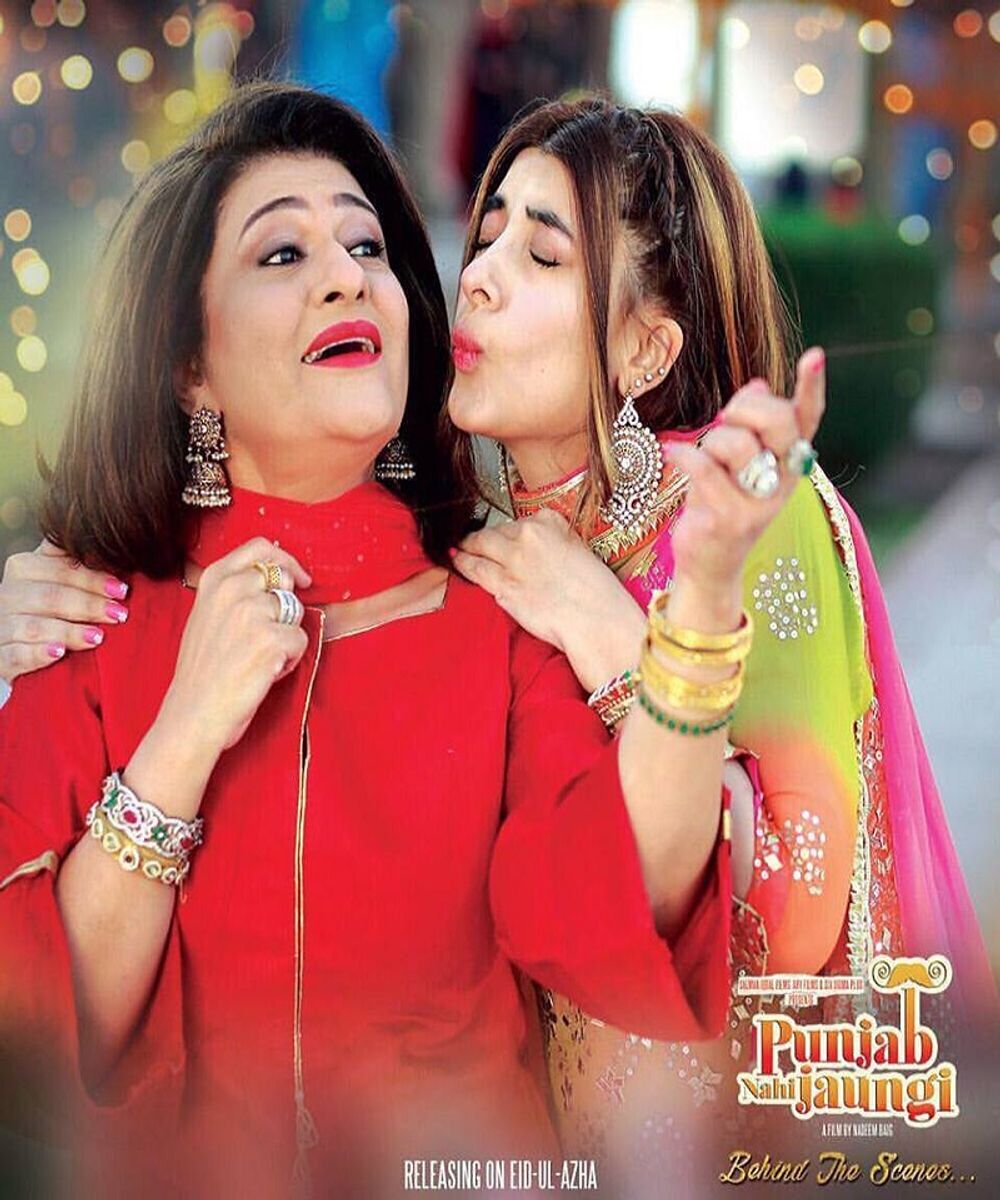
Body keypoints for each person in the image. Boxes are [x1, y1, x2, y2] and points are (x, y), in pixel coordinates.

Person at [0, 83, 821, 1199]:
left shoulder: (496, 618)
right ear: (189, 363)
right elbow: (45, 1039)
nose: (347, 275)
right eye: (281, 254)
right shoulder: (83, 622)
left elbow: (635, 903)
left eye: (367, 246)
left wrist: (705, 596)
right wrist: (181, 737)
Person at [442, 96, 997, 1193]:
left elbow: (792, 910)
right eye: (486, 236)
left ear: (646, 349)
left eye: (541, 256)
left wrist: (622, 652)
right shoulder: (480, 538)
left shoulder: (744, 518)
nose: (480, 277)